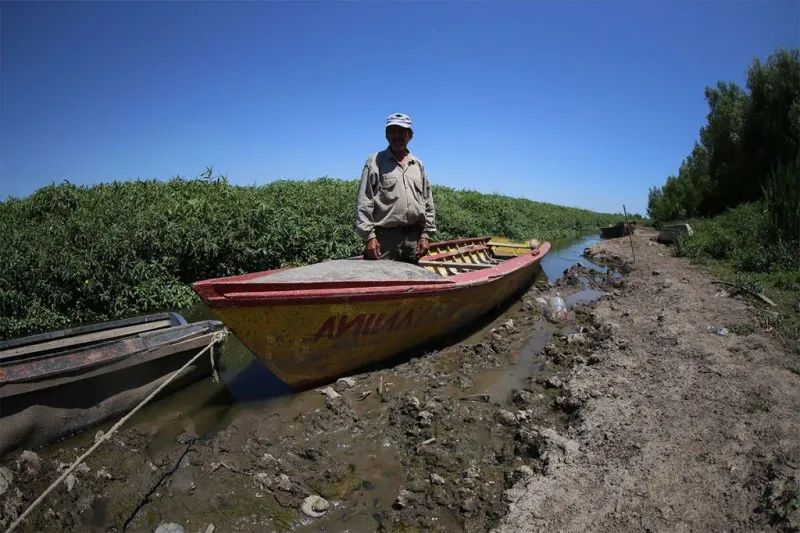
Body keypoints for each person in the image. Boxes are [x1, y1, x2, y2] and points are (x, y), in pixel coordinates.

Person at [354, 112, 436, 264]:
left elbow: (428, 203)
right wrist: (369, 237)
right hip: (384, 240)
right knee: (381, 282)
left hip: (413, 240)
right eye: (392, 131)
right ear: (386, 135)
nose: (397, 136)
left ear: (410, 135)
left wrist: (426, 235)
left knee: (412, 283)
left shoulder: (417, 165)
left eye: (401, 132)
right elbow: (364, 202)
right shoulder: (375, 162)